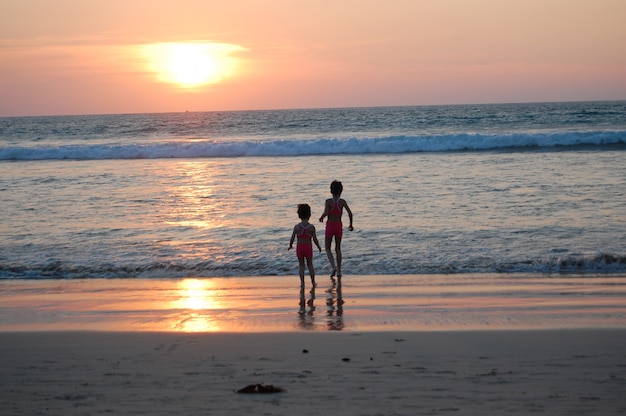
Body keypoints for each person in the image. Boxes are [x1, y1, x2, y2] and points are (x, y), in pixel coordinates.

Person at [319, 180, 353, 278]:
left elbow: (326, 212)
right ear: (341, 191)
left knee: (328, 248)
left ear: (331, 190)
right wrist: (351, 224)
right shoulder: (342, 202)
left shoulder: (328, 201)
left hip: (330, 225)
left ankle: (333, 267)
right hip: (338, 226)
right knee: (338, 248)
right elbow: (350, 213)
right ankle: (339, 271)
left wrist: (322, 217)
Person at [288, 203, 322, 289]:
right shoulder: (311, 227)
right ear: (309, 214)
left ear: (299, 215)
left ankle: (302, 283)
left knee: (301, 265)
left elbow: (292, 237)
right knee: (310, 265)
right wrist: (318, 246)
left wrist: (290, 245)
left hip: (299, 247)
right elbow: (315, 239)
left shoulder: (297, 227)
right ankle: (313, 282)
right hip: (308, 247)